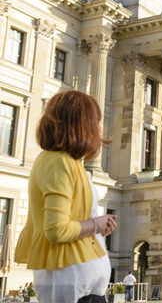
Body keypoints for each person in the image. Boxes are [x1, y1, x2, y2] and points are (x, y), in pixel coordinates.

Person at [14, 90, 117, 303]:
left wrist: (97, 226)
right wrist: (96, 225)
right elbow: (56, 230)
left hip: (78, 283)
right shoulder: (59, 163)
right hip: (72, 284)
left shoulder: (65, 162)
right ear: (81, 125)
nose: (98, 130)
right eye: (94, 122)